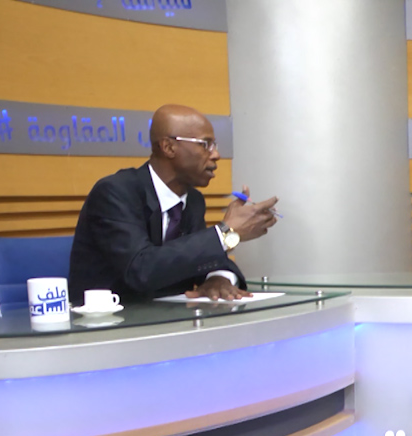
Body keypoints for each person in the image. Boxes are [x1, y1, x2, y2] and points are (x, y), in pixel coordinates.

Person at [68, 104, 278, 303]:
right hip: (112, 321)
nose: (216, 155)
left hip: (171, 319)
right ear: (169, 147)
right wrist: (226, 233)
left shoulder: (193, 200)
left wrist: (218, 278)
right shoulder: (115, 193)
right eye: (205, 145)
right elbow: (140, 270)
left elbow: (199, 257)